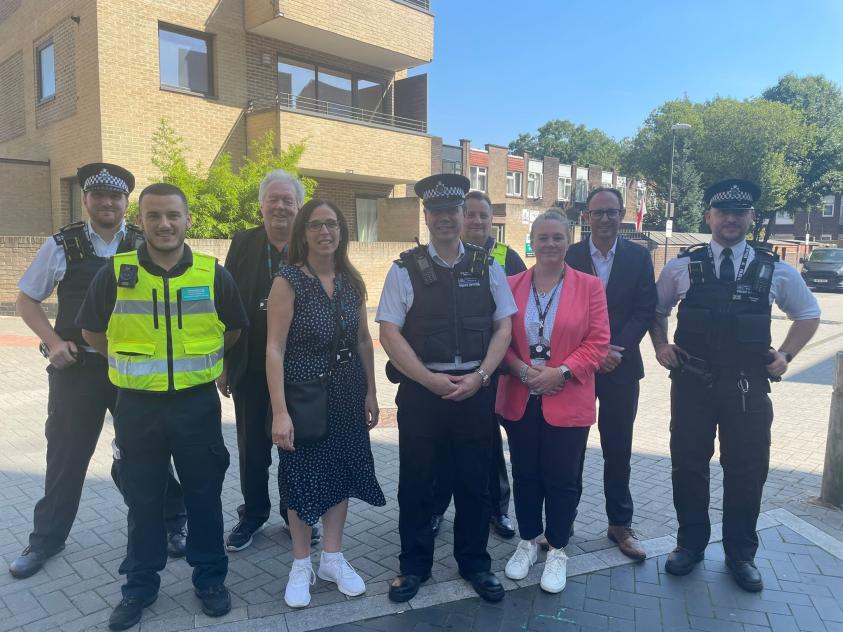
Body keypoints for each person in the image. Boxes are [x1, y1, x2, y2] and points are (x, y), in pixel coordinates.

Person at [78, 183, 249, 630]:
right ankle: (139, 586)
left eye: (173, 215)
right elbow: (94, 332)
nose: (165, 224)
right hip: (136, 407)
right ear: (142, 221)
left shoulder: (213, 274)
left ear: (188, 219)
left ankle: (210, 579)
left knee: (205, 497)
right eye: (154, 216)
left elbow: (232, 330)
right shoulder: (115, 273)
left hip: (196, 405)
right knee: (143, 500)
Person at [9, 163, 187, 581]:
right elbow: (26, 301)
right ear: (86, 200)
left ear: (127, 203)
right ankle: (46, 539)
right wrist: (54, 343)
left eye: (116, 197)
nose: (107, 203)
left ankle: (173, 521)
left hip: (134, 368)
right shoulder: (62, 245)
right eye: (99, 196)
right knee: (67, 455)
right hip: (80, 368)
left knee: (151, 450)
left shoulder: (144, 243)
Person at [650, 179, 820, 592]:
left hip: (747, 388)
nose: (731, 219)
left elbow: (809, 313)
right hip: (692, 386)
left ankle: (740, 554)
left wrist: (786, 356)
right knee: (688, 467)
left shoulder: (773, 268)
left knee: (746, 472)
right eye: (723, 212)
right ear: (709, 217)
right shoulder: (681, 267)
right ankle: (689, 545)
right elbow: (655, 310)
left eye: (739, 213)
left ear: (751, 218)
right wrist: (660, 345)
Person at [378, 174, 517, 604]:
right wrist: (427, 378)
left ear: (461, 215)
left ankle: (475, 563)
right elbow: (388, 332)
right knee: (417, 484)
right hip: (423, 394)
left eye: (451, 211)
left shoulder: (488, 264)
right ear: (426, 216)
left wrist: (481, 377)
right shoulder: (404, 269)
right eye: (436, 212)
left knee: (475, 484)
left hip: (475, 391)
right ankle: (414, 566)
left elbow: (503, 327)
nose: (444, 219)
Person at [266, 199, 385, 608]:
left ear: (341, 231)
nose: (325, 232)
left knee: (340, 472)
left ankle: (332, 557)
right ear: (303, 233)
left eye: (332, 224)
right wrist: (279, 411)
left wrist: (371, 391)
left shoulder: (352, 281)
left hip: (347, 393)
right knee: (300, 478)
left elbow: (363, 340)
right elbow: (274, 349)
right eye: (315, 225)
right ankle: (302, 563)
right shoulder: (288, 281)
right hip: (303, 395)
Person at [496, 210, 609, 593]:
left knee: (562, 480)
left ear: (567, 240)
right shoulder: (510, 285)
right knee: (526, 475)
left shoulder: (589, 286)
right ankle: (528, 541)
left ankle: (558, 548)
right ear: (532, 240)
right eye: (542, 237)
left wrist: (558, 372)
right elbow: (500, 342)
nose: (549, 245)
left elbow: (598, 343)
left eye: (557, 237)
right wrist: (524, 372)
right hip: (520, 396)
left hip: (568, 396)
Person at [218, 169, 321, 551]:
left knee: (298, 448)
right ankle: (254, 514)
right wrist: (225, 362)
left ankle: (296, 514)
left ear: (298, 207)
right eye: (273, 200)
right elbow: (226, 306)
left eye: (288, 201)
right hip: (250, 369)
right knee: (252, 450)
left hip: (300, 372)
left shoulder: (311, 245)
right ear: (261, 205)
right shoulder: (244, 242)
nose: (280, 206)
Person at [565, 187, 656, 562]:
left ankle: (620, 523)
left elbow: (645, 307)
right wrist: (592, 353)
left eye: (612, 212)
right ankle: (562, 521)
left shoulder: (638, 256)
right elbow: (563, 308)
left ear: (623, 215)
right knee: (569, 449)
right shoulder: (570, 255)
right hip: (580, 367)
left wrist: (614, 348)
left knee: (618, 448)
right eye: (598, 213)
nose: (605, 219)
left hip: (621, 365)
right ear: (586, 217)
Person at [430, 190, 526, 540]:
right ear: (460, 217)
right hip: (454, 370)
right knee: (444, 445)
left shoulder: (506, 257)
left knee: (489, 444)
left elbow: (518, 316)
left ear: (491, 221)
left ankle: (497, 510)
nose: (477, 221)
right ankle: (437, 508)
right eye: (470, 214)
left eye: (484, 216)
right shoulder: (439, 258)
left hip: (496, 369)